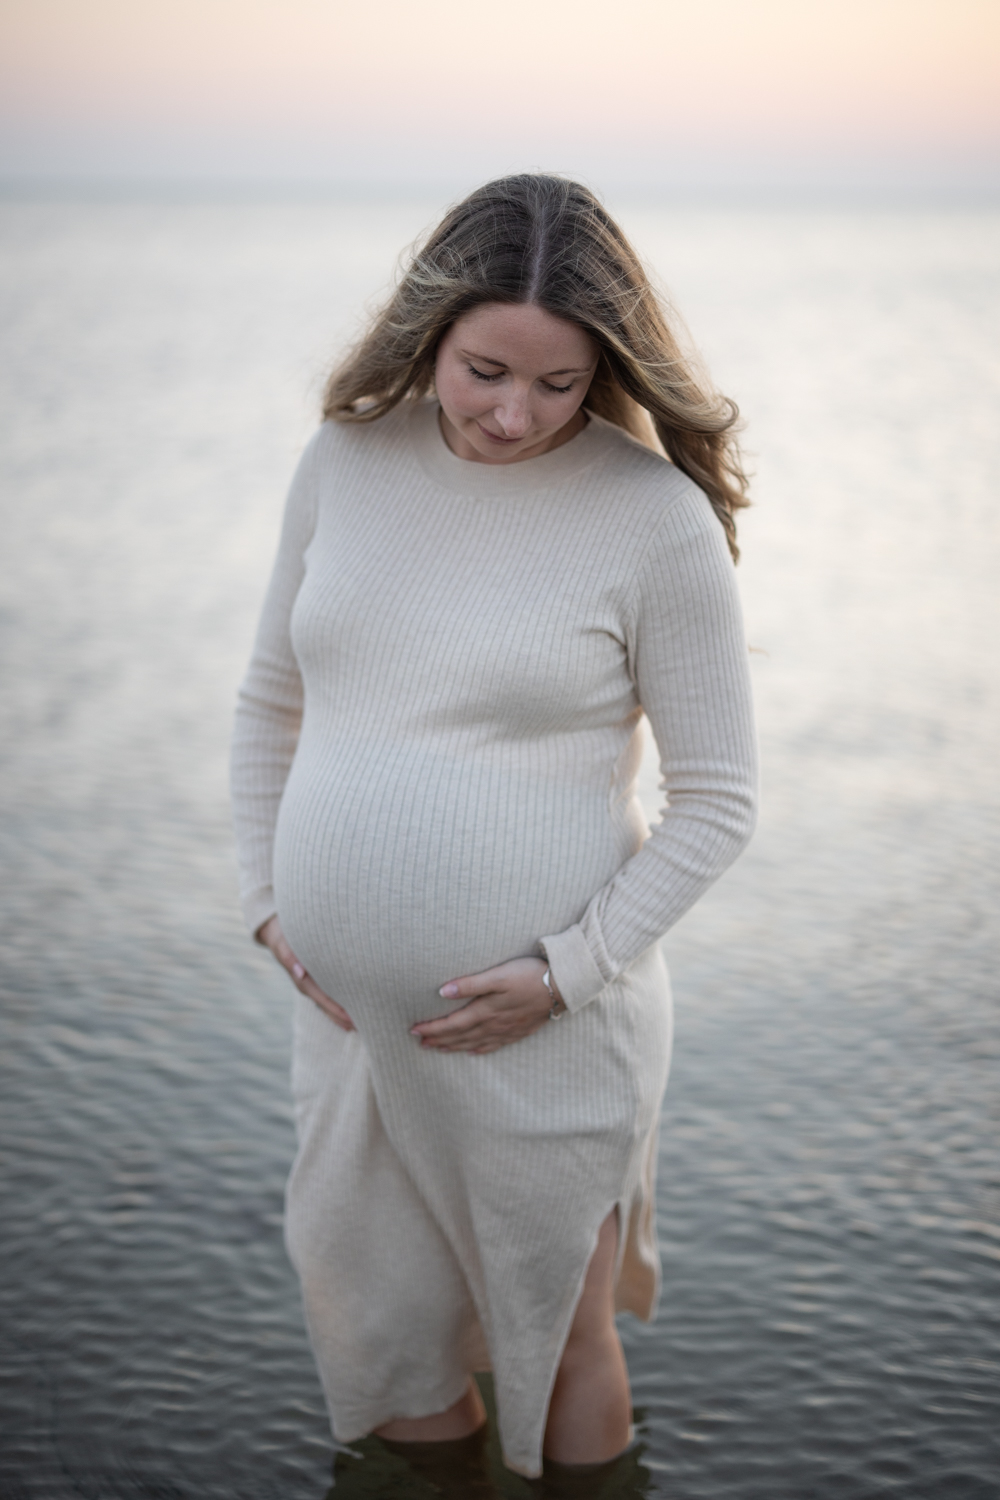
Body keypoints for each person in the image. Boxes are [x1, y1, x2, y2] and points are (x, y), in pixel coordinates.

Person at [229, 173, 757, 1484]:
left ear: (608, 373)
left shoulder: (653, 520)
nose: (513, 413)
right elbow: (266, 706)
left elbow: (719, 803)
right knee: (388, 1337)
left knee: (556, 1342)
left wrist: (564, 976)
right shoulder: (342, 460)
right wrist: (268, 902)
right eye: (484, 370)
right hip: (348, 1028)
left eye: (559, 384)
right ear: (427, 335)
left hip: (547, 1030)